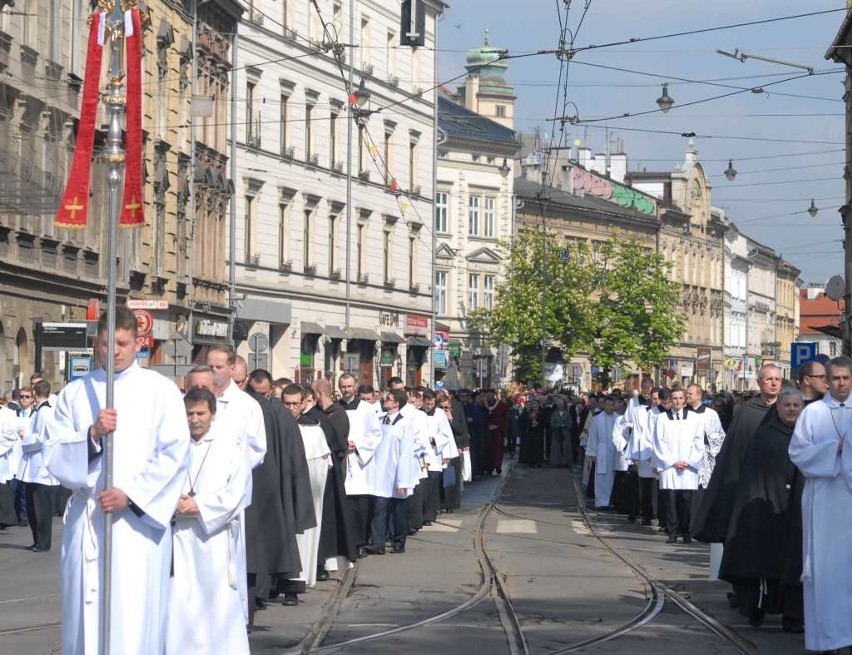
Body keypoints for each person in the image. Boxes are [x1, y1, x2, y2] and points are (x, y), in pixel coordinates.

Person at [45, 306, 190, 655]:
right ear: (97, 342)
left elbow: (174, 453)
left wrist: (131, 495)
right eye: (108, 343)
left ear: (138, 342)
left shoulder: (160, 391)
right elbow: (53, 453)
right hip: (89, 520)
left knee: (132, 617)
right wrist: (92, 435)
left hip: (136, 528)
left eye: (123, 344)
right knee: (85, 617)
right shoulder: (76, 393)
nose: (115, 352)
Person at [166, 388, 249, 655]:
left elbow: (238, 490)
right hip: (179, 537)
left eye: (200, 413)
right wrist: (173, 503)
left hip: (213, 536)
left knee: (217, 602)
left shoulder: (230, 443)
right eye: (189, 413)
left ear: (212, 414)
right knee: (181, 602)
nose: (194, 419)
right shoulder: (173, 444)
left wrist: (199, 505)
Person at [719, 387, 804, 631]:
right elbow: (751, 475)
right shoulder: (764, 436)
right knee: (764, 563)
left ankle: (793, 615)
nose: (791, 410)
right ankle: (758, 607)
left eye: (795, 406)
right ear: (778, 408)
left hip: (795, 510)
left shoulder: (808, 436)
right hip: (766, 508)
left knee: (795, 563)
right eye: (786, 405)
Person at [789, 356, 852, 653]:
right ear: (826, 381)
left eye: (846, 378)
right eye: (835, 378)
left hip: (849, 498)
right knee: (826, 569)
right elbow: (799, 453)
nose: (841, 383)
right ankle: (828, 638)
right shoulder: (812, 413)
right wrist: (833, 451)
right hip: (823, 500)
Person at [692, 364, 782, 545]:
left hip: (777, 482)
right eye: (769, 379)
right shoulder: (746, 411)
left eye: (777, 379)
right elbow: (733, 451)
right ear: (759, 382)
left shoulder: (787, 409)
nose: (774, 383)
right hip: (749, 482)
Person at [366, 388, 419, 554]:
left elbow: (406, 454)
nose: (384, 400)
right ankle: (378, 543)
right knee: (379, 508)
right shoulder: (380, 420)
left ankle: (398, 542)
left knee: (398, 511)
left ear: (397, 403)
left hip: (396, 472)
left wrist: (403, 480)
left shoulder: (405, 424)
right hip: (380, 473)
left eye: (388, 398)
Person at [652, 387, 705, 544]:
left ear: (684, 399)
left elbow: (698, 441)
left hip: (688, 466)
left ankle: (686, 531)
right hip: (670, 466)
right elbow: (658, 442)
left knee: (686, 501)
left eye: (681, 398)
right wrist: (672, 461)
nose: (678, 401)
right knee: (671, 500)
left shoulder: (694, 418)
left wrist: (689, 461)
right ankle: (672, 532)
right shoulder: (661, 418)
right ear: (670, 400)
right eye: (674, 398)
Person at [338, 373, 382, 558]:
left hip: (360, 463)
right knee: (344, 507)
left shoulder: (366, 408)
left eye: (349, 386)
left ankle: (360, 542)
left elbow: (375, 434)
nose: (346, 390)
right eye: (343, 387)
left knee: (360, 508)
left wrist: (359, 445)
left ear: (355, 386)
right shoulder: (335, 408)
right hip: (341, 460)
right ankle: (344, 543)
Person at [18, 380, 61, 552]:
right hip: (34, 465)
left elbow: (42, 439)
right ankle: (38, 541)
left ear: (34, 393)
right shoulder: (41, 411)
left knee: (40, 508)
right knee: (33, 506)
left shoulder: (45, 413)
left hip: (40, 466)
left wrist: (24, 437)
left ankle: (43, 543)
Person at [586, 396, 618, 510]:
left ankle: (612, 501)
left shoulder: (619, 419)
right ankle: (601, 502)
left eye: (612, 405)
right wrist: (592, 453)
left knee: (614, 477)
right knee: (601, 477)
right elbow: (593, 437)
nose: (610, 407)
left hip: (615, 451)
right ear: (604, 405)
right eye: (608, 405)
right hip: (602, 451)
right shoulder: (597, 419)